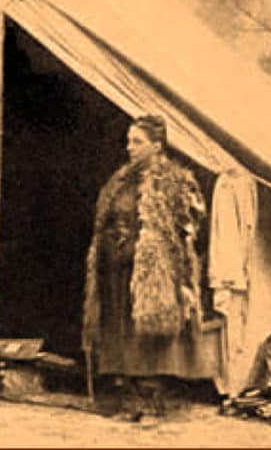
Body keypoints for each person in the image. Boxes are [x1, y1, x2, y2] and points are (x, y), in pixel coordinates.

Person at [82, 115, 207, 424]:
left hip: (153, 271)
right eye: (128, 141)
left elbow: (191, 223)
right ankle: (131, 401)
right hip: (115, 268)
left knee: (150, 334)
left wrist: (164, 251)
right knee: (121, 331)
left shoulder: (174, 179)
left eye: (137, 142)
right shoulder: (121, 179)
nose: (130, 148)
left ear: (157, 145)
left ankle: (153, 404)